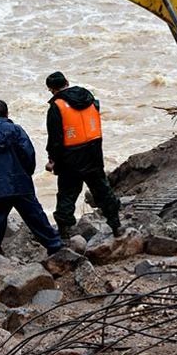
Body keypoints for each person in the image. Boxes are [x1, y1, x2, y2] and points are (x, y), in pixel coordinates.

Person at [0, 100, 63, 265]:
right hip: (20, 184)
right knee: (35, 217)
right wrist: (27, 173)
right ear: (7, 113)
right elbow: (29, 154)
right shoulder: (17, 130)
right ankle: (54, 245)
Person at [44, 72, 122, 239]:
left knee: (67, 194)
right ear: (67, 82)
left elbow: (55, 138)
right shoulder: (89, 98)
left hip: (70, 158)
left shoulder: (56, 107)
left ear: (52, 90)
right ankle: (116, 225)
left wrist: (52, 160)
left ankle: (65, 234)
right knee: (103, 190)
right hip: (93, 153)